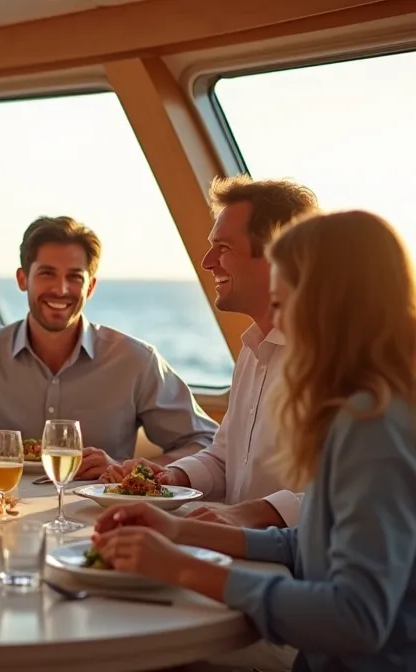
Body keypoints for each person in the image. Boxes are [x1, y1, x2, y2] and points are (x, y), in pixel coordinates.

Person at [91, 210, 416, 672]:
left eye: (281, 305)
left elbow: (357, 618)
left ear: (328, 309)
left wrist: (182, 567)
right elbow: (314, 545)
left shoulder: (378, 431)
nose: (276, 323)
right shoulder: (379, 411)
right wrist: (180, 531)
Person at [0, 216, 216, 478]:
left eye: (74, 277)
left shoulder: (135, 361)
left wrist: (130, 469)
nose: (61, 289)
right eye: (47, 274)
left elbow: (206, 443)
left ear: (90, 287)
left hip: (99, 521)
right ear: (23, 279)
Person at [100, 176, 319, 529]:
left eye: (224, 247)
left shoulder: (336, 360)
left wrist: (245, 515)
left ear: (278, 253)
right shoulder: (253, 353)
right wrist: (172, 478)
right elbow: (224, 460)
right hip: (237, 552)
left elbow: (351, 501)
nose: (207, 262)